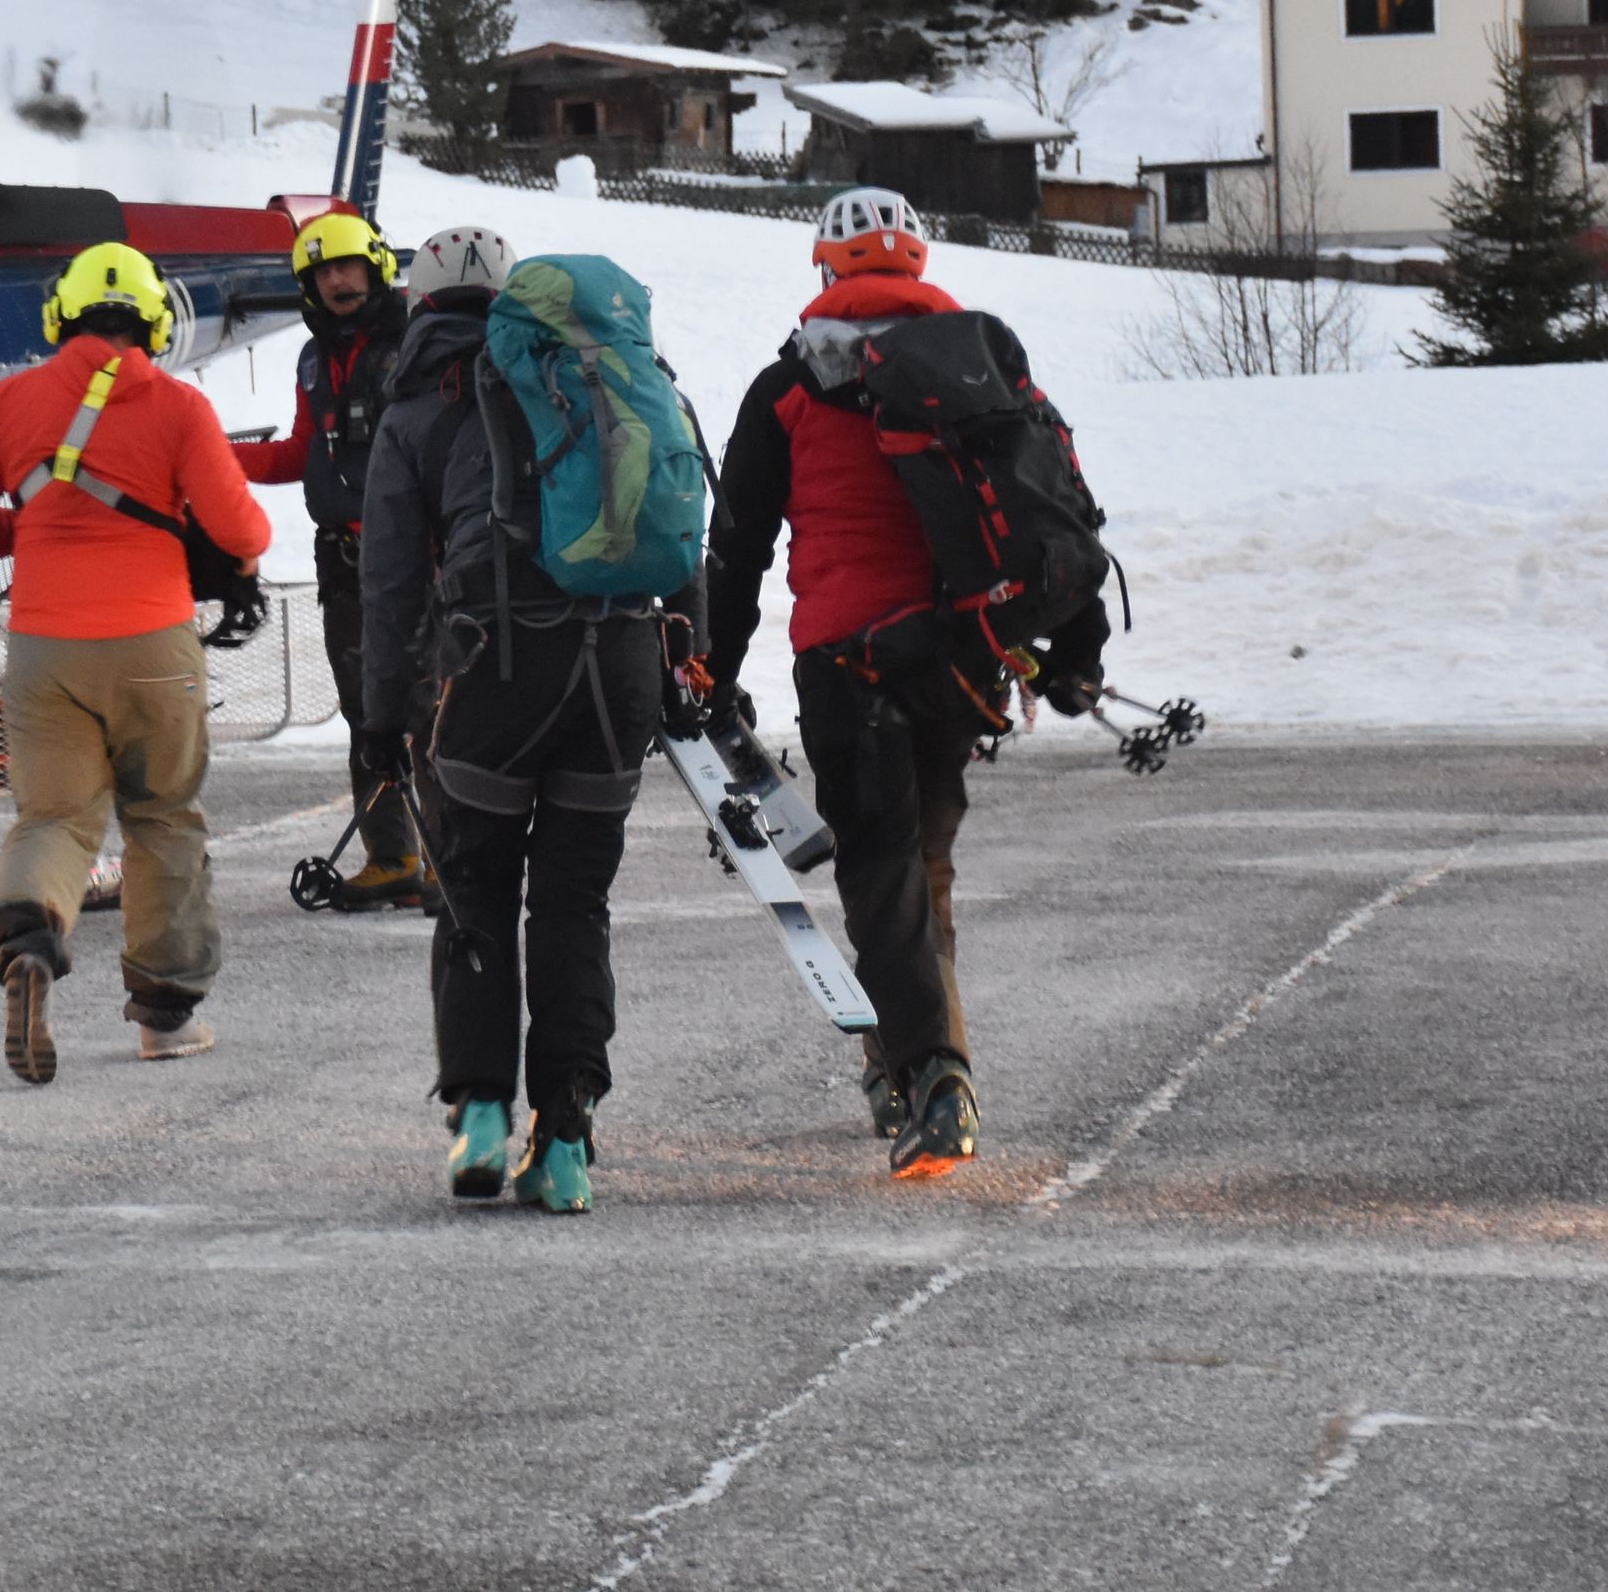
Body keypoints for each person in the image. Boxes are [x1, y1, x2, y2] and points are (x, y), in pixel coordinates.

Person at [698, 186, 1087, 1181]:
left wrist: (712, 670)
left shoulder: (787, 387)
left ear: (825, 270)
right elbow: (1055, 510)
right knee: (923, 863)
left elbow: (736, 548)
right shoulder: (977, 366)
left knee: (880, 869)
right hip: (957, 660)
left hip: (846, 661)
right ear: (916, 263)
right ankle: (907, 1059)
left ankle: (934, 1077)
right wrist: (1071, 650)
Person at [356, 224, 671, 1214]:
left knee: (475, 891)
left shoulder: (417, 406)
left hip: (490, 675)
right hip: (616, 667)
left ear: (419, 303)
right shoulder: (608, 377)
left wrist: (377, 720)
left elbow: (390, 581)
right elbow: (677, 523)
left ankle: (483, 1118)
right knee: (574, 904)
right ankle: (567, 1139)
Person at [0, 240, 275, 1082]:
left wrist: (36, 534)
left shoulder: (9, 401)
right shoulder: (178, 404)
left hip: (47, 646)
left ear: (61, 316)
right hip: (156, 642)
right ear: (155, 323)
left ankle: (29, 934)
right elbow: (242, 534)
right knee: (162, 818)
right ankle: (165, 1016)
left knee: (55, 817)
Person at [232, 209, 419, 902]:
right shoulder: (315, 361)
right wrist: (216, 456)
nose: (338, 280)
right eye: (323, 271)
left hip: (419, 560)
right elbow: (304, 452)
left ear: (376, 267)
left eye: (349, 266)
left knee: (431, 711)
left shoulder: (417, 343)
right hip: (344, 563)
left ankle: (457, 862)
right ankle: (396, 859)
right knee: (369, 715)